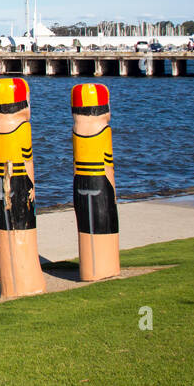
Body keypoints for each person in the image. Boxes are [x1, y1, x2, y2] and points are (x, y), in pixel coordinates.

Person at [0, 77, 45, 298]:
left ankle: (13, 282)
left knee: (5, 218)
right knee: (21, 226)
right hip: (19, 183)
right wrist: (32, 187)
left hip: (0, 182)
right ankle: (26, 280)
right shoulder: (22, 129)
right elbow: (27, 162)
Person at [71, 83, 120, 281]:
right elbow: (107, 167)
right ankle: (104, 268)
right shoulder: (103, 131)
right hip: (99, 182)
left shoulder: (77, 131)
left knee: (89, 217)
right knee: (103, 216)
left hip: (80, 182)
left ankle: (95, 268)